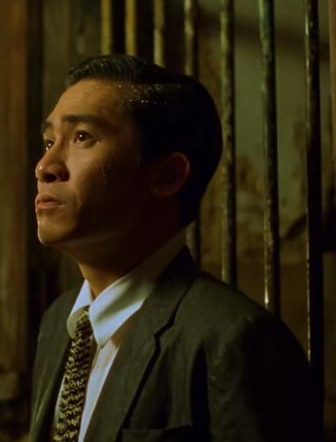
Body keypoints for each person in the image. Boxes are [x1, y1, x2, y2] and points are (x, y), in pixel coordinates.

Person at [30, 54, 315, 442]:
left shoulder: (234, 339)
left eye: (83, 137)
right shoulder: (58, 323)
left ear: (167, 175)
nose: (45, 166)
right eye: (49, 141)